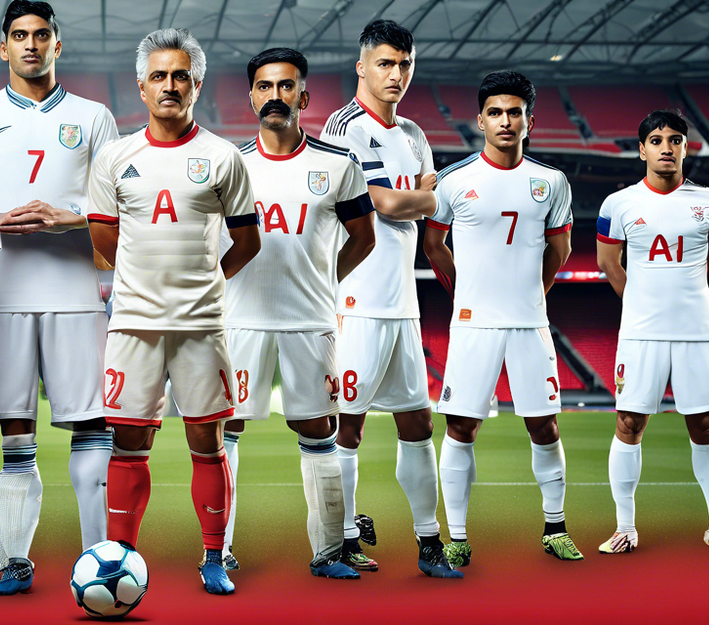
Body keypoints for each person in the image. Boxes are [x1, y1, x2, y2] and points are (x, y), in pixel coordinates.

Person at [224, 47, 454, 579]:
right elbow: (217, 240)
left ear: (303, 96)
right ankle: (221, 550)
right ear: (252, 96)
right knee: (228, 430)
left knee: (326, 430)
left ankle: (331, 550)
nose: (275, 96)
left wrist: (322, 280)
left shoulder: (336, 163)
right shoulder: (229, 164)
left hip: (318, 318)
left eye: (287, 87)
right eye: (265, 86)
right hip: (248, 319)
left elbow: (365, 236)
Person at [0, 0, 120, 595]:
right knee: (16, 440)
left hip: (76, 294)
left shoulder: (94, 116)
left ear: (58, 45)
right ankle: (14, 560)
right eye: (19, 36)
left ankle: (101, 557)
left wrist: (72, 217)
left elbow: (117, 208)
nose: (30, 45)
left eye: (41, 35)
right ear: (3, 47)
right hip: (1, 295)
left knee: (90, 428)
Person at [86, 28, 259, 595]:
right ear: (141, 86)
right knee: (128, 445)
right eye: (158, 76)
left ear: (196, 85)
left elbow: (247, 241)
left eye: (179, 75)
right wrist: (143, 284)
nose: (169, 85)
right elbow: (103, 241)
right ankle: (120, 556)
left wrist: (208, 281)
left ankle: (213, 556)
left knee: (206, 443)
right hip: (134, 324)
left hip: (202, 326)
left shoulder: (223, 157)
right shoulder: (115, 157)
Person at [423, 70, 583, 565]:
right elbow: (433, 244)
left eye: (515, 112)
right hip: (473, 326)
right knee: (460, 428)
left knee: (545, 428)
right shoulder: (454, 181)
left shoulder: (550, 182)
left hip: (530, 325)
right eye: (495, 112)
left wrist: (531, 293)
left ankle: (554, 528)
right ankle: (458, 536)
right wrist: (463, 293)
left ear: (530, 120)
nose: (505, 121)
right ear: (480, 120)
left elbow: (560, 249)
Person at [594, 109, 709, 553]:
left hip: (695, 332)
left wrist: (694, 298)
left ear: (685, 146)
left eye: (675, 139)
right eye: (657, 140)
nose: (667, 147)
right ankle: (625, 527)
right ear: (642, 148)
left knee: (704, 424)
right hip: (641, 333)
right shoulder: (618, 203)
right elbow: (608, 262)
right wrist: (641, 302)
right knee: (628, 422)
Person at [319, 19, 442, 572]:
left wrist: (412, 198)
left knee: (417, 423)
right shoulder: (344, 127)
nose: (397, 74)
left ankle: (430, 540)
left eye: (406, 63)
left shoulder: (414, 134)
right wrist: (416, 197)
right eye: (386, 63)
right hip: (356, 301)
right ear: (362, 66)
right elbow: (383, 206)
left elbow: (424, 203)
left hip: (403, 304)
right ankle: (343, 537)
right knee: (348, 424)